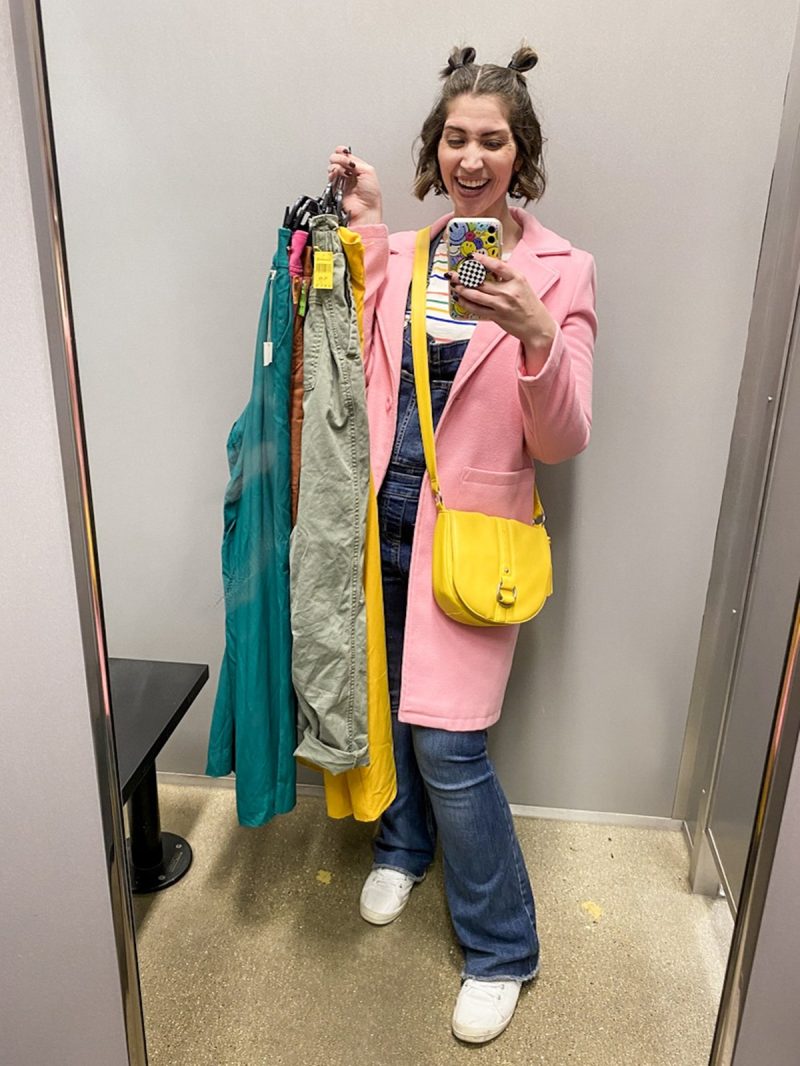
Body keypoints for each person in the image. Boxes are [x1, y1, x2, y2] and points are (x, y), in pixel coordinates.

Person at [328, 43, 596, 1044]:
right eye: (454, 138)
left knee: (448, 741)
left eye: (491, 140)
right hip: (379, 524)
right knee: (388, 706)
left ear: (521, 154)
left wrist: (536, 337)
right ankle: (401, 848)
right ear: (433, 149)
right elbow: (358, 363)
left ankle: (501, 948)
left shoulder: (560, 271)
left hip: (471, 542)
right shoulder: (407, 252)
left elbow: (561, 439)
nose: (470, 157)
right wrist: (365, 226)